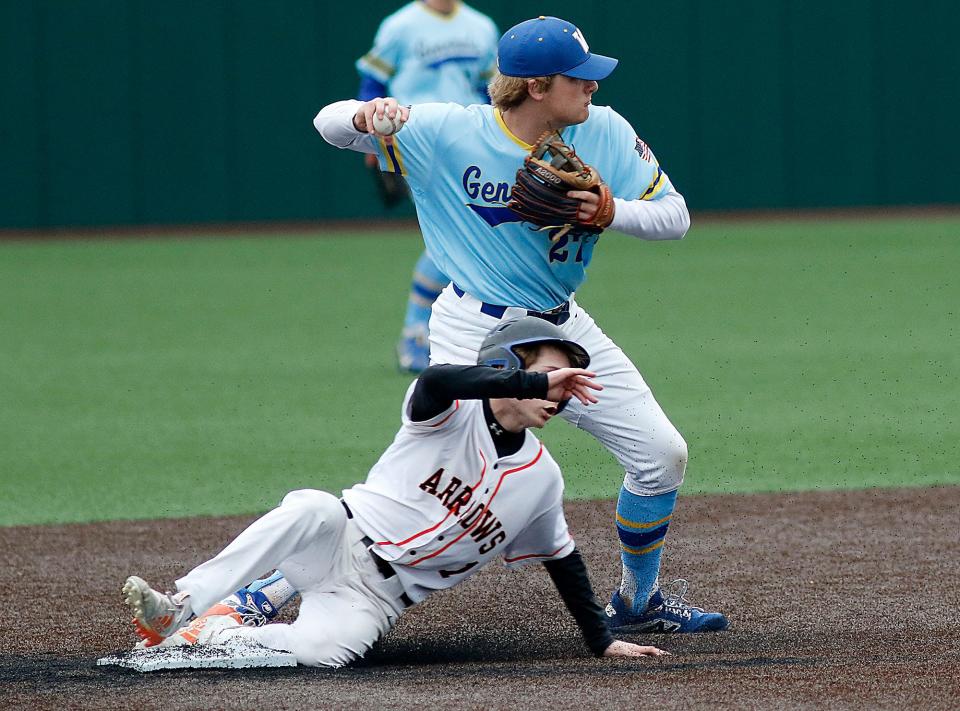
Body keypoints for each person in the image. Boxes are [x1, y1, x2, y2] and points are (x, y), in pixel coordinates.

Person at [313, 15, 729, 633]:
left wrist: (615, 211)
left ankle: (637, 604)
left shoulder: (607, 131)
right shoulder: (448, 133)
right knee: (429, 486)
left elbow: (676, 216)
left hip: (564, 330)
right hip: (471, 327)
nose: (592, 87)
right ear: (536, 86)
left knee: (661, 454)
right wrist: (367, 118)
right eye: (578, 78)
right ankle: (262, 594)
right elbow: (327, 123)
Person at [122, 317, 669, 667]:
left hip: (373, 601)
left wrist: (601, 640)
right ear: (506, 369)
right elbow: (437, 380)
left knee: (325, 654)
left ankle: (213, 635)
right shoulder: (445, 408)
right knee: (310, 506)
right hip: (338, 539)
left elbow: (562, 559)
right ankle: (180, 606)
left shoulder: (542, 479)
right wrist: (529, 382)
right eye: (554, 374)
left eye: (570, 382)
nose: (561, 391)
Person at [355, 0, 499, 373]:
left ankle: (423, 331)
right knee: (461, 232)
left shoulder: (481, 27)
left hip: (469, 141)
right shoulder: (400, 25)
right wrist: (371, 138)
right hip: (416, 138)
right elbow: (373, 82)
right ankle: (418, 331)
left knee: (466, 233)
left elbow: (491, 90)